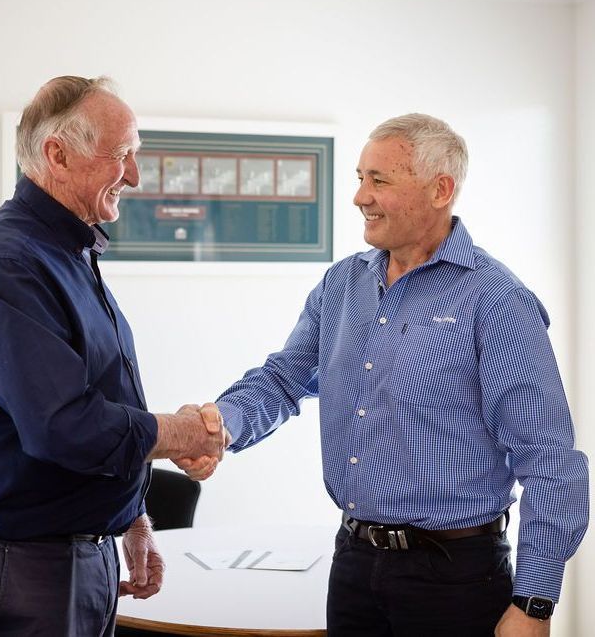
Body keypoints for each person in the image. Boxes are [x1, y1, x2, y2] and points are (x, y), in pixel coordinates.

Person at [181, 114, 589, 636]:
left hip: (455, 579)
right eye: (359, 178)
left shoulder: (498, 301)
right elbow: (284, 377)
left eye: (380, 180)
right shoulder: (342, 284)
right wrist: (223, 424)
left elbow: (551, 460)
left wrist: (534, 603)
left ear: (441, 189)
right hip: (353, 563)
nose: (360, 197)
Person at [0, 75, 228, 637]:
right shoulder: (8, 262)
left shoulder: (65, 252)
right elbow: (64, 425)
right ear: (57, 154)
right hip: (26, 565)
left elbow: (95, 403)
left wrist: (130, 516)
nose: (135, 176)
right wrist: (183, 434)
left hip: (63, 558)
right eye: (123, 155)